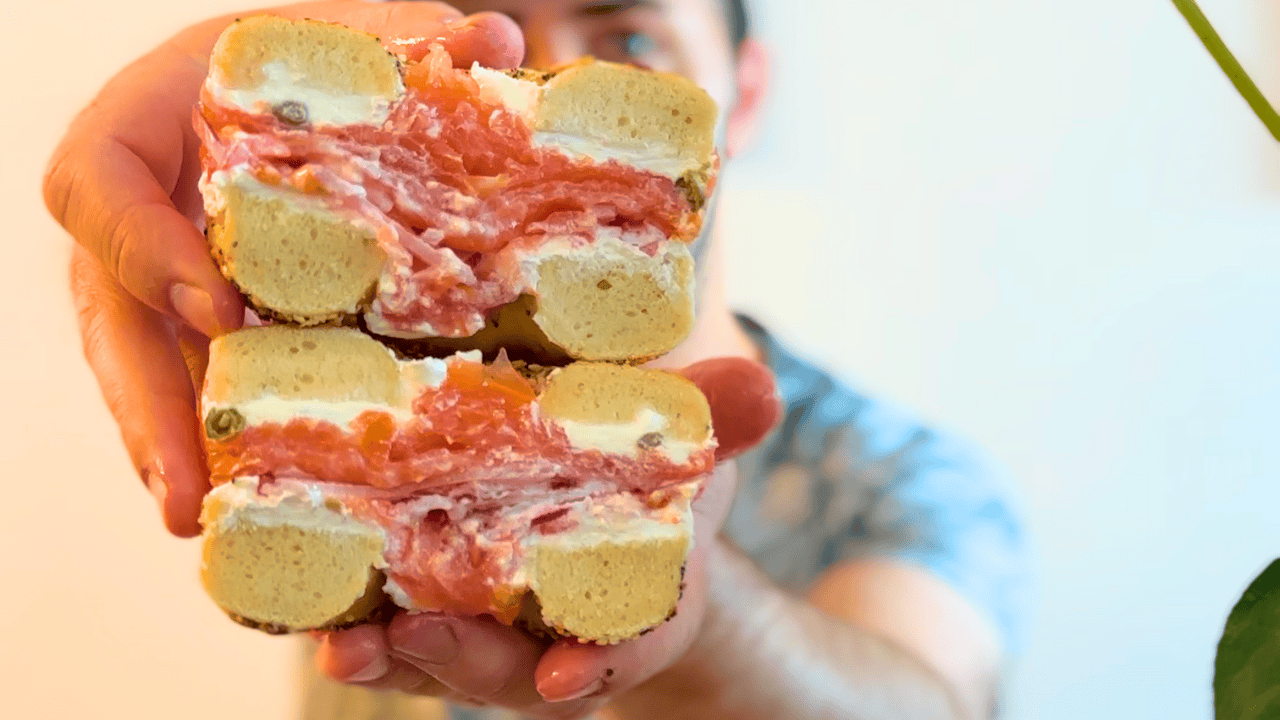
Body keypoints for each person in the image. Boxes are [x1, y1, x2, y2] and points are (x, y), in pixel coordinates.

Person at [45, 1, 1029, 718]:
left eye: (626, 40)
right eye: (494, 24)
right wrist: (196, 203)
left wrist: (686, 589)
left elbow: (925, 701)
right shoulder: (302, 391)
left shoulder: (898, 474)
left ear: (746, 92)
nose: (544, 78)